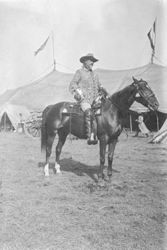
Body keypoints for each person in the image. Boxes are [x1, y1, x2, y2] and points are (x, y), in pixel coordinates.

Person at [69, 53, 108, 145]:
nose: (92, 63)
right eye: (91, 61)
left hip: (95, 100)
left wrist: (103, 91)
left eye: (93, 61)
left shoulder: (95, 74)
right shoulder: (79, 72)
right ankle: (90, 135)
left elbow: (99, 86)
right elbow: (73, 84)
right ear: (85, 62)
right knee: (89, 112)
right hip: (85, 100)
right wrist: (79, 93)